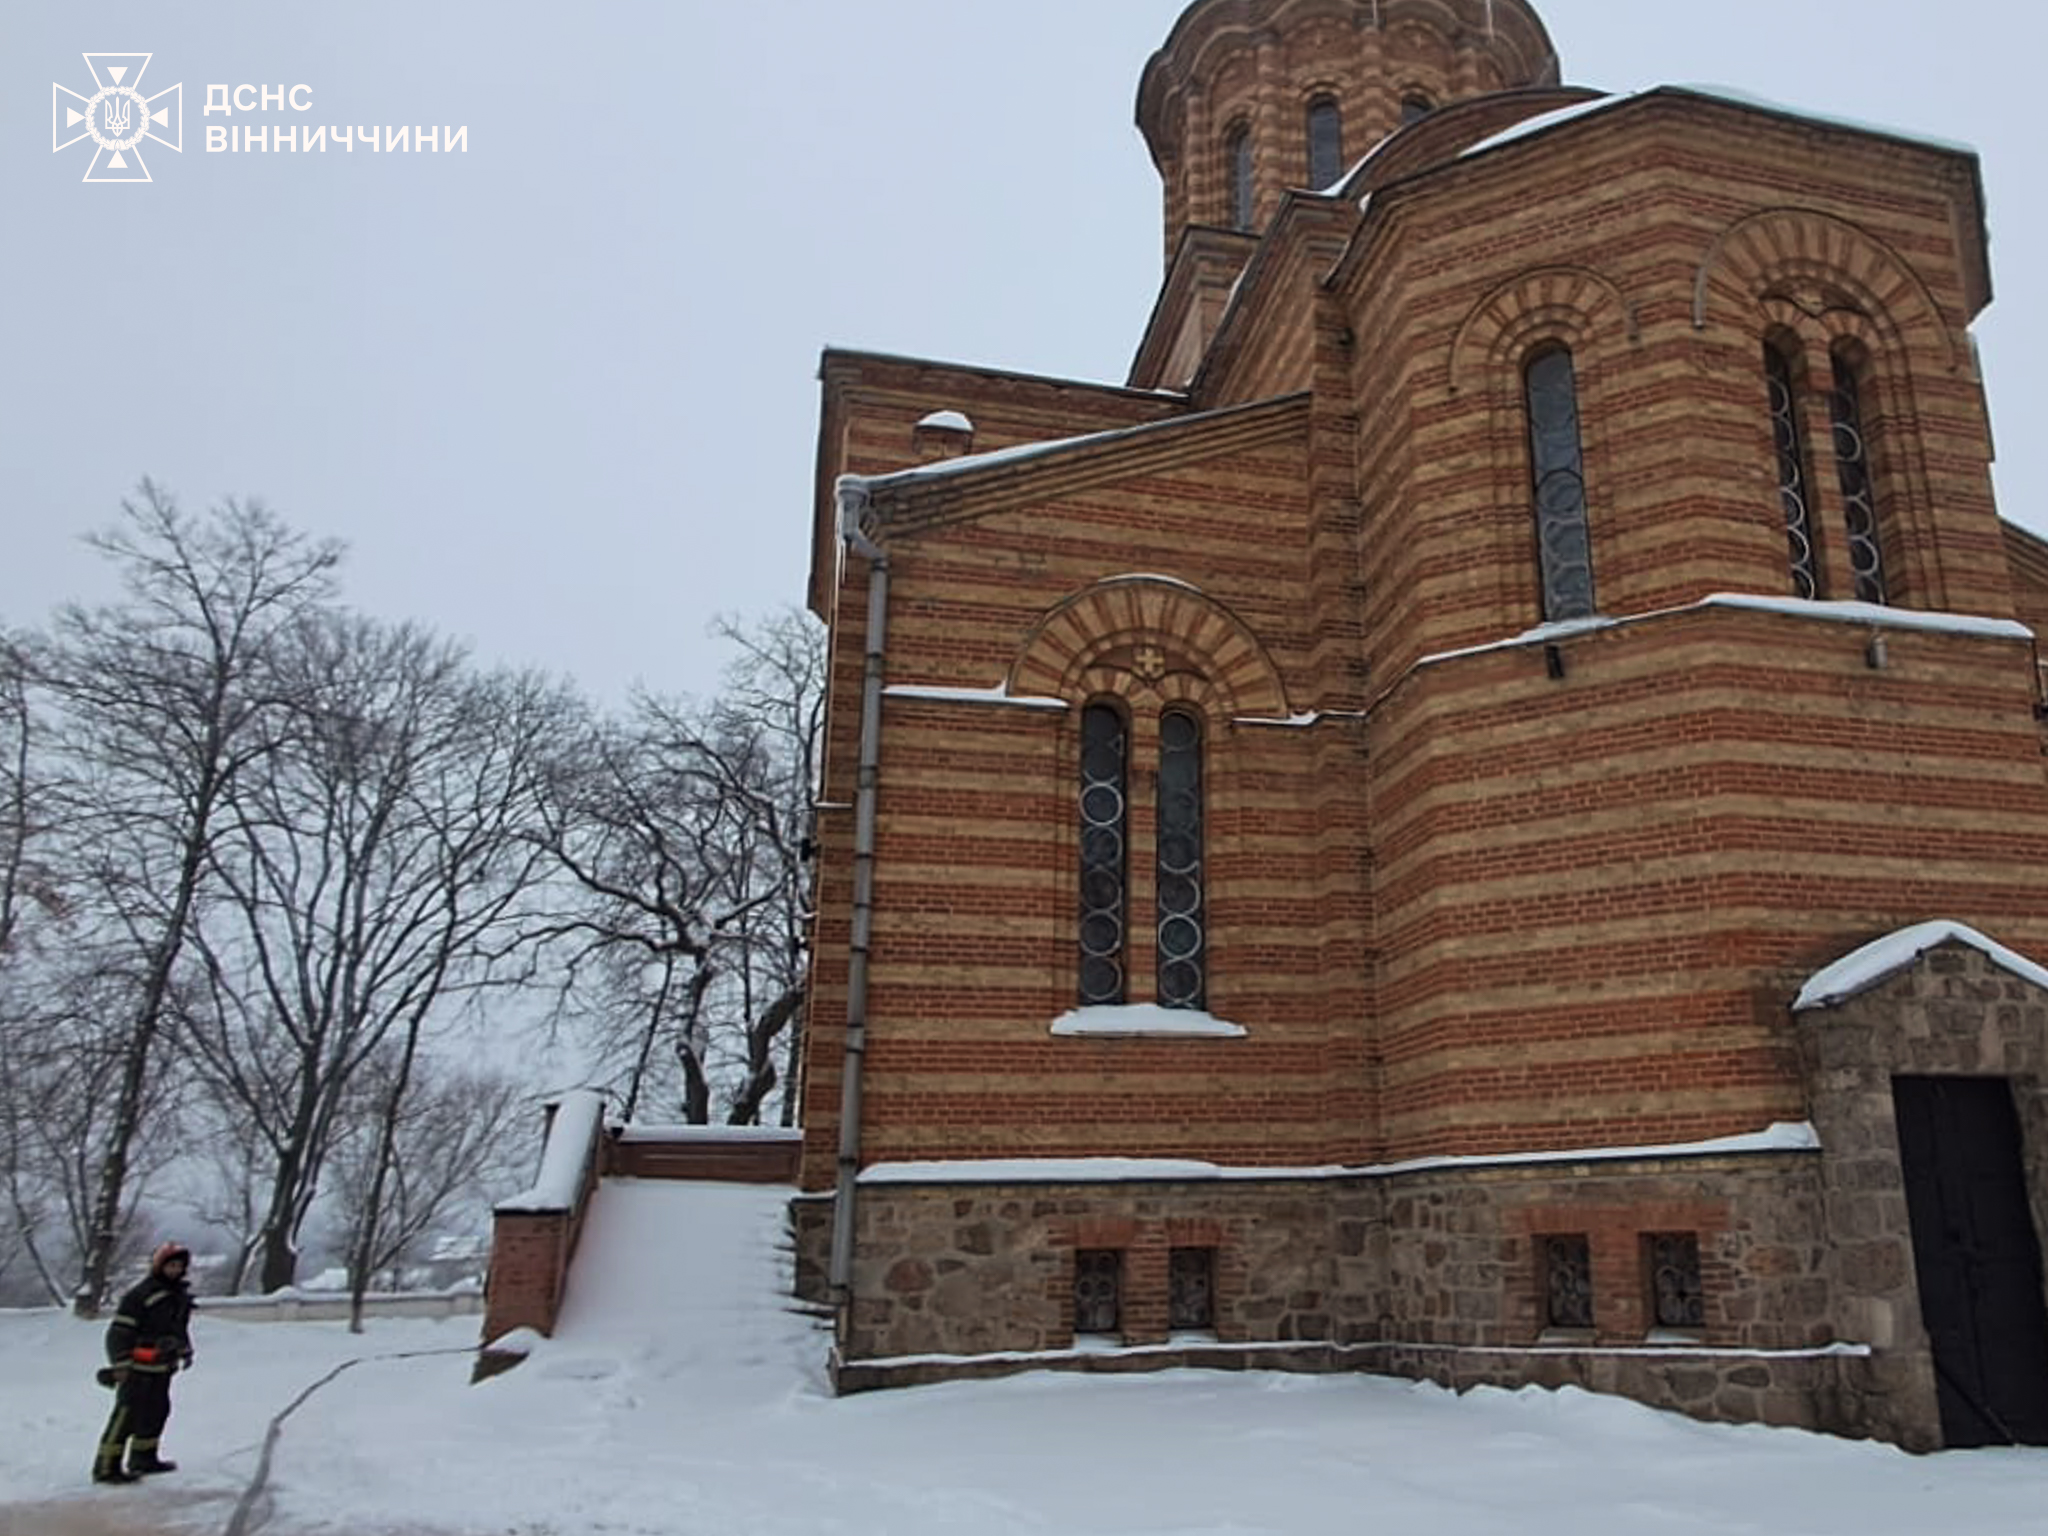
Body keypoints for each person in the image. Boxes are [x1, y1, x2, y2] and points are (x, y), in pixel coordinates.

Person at [92, 1241, 196, 1485]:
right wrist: (121, 1363)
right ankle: (106, 1467)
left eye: (179, 1266)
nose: (175, 1270)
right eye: (170, 1265)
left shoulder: (177, 1297)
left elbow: (178, 1328)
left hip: (162, 1369)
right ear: (160, 1266)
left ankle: (143, 1458)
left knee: (157, 1412)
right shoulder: (140, 1296)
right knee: (126, 1416)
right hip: (137, 1370)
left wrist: (185, 1349)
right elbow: (118, 1333)